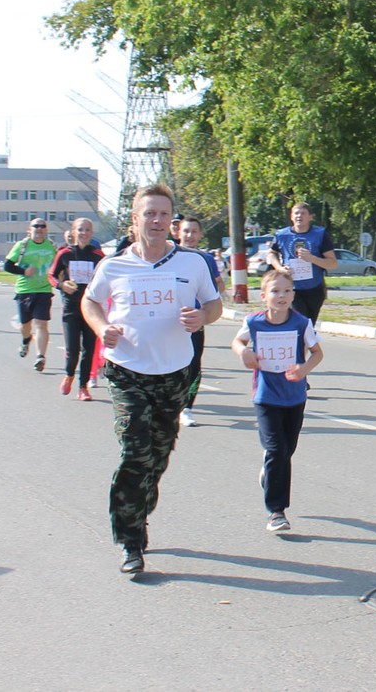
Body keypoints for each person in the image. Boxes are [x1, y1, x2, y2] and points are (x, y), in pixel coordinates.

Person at [82, 183, 222, 575]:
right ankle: (129, 540)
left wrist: (203, 317)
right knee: (134, 450)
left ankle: (139, 510)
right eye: (149, 214)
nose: (157, 221)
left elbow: (213, 303)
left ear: (171, 221)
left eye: (164, 214)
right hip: (126, 370)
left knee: (157, 456)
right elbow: (90, 300)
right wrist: (100, 326)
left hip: (174, 372)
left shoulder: (192, 263)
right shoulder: (114, 265)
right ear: (135, 219)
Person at [232, 267, 323, 533]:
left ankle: (269, 473)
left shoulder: (301, 323)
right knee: (276, 451)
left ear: (293, 295)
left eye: (286, 291)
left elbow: (317, 353)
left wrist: (303, 369)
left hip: (294, 397)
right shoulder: (254, 323)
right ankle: (276, 511)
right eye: (275, 291)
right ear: (263, 296)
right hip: (266, 396)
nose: (281, 296)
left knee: (286, 451)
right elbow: (237, 341)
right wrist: (244, 353)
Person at [177, 215, 227, 426]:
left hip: (195, 320)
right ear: (178, 233)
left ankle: (187, 407)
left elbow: (217, 287)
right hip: (169, 321)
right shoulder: (168, 255)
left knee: (194, 362)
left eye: (194, 232)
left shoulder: (206, 259)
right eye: (186, 231)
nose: (190, 236)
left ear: (200, 235)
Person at [48, 217, 103, 401]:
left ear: (91, 233)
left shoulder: (98, 256)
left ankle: (83, 387)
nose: (84, 233)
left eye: (88, 230)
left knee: (89, 349)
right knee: (73, 350)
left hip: (92, 308)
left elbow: (109, 277)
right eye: (80, 229)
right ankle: (69, 374)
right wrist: (62, 285)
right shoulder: (65, 254)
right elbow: (51, 276)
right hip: (71, 308)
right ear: (73, 232)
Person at [266, 202, 337, 325]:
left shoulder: (320, 234)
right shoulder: (282, 235)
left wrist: (312, 258)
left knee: (309, 324)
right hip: (292, 288)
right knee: (300, 322)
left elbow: (333, 263)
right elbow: (271, 254)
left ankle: (306, 343)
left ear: (310, 217)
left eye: (303, 213)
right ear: (291, 217)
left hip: (314, 287)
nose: (299, 216)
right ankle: (299, 343)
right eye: (296, 213)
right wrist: (280, 268)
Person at [5, 218, 58, 372]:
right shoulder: (22, 245)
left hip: (44, 290)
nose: (40, 229)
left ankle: (40, 356)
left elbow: (58, 265)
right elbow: (7, 265)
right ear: (30, 229)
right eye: (36, 226)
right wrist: (23, 271)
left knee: (41, 324)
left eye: (43, 226)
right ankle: (26, 339)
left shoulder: (51, 247)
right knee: (25, 325)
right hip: (25, 290)